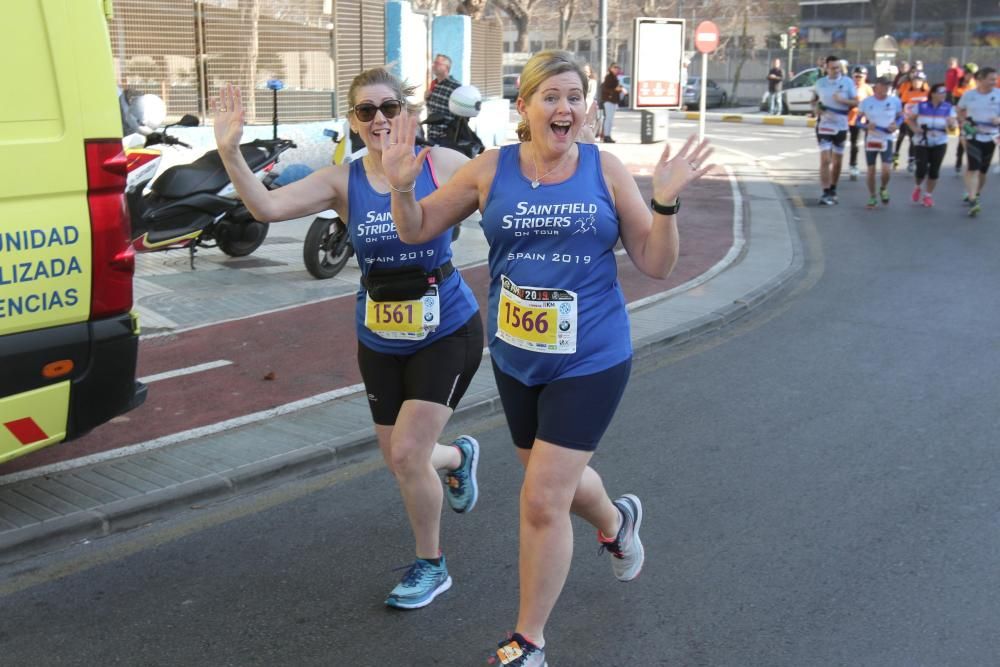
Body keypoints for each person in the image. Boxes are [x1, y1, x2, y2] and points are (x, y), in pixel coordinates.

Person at [380, 49, 714, 666]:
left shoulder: (605, 170)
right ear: (524, 108)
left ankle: (528, 641)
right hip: (518, 356)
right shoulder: (489, 170)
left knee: (540, 498)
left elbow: (657, 264)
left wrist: (664, 205)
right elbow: (416, 228)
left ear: (585, 109)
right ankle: (616, 521)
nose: (564, 108)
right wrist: (402, 186)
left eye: (573, 96)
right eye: (550, 96)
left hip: (591, 356)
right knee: (551, 480)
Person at [211, 68, 484, 609]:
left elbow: (503, 190)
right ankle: (455, 460)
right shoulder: (345, 180)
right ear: (354, 122)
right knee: (402, 458)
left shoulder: (443, 164)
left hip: (447, 328)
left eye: (388, 107)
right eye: (366, 111)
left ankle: (431, 565)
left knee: (408, 454)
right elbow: (266, 208)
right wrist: (229, 152)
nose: (379, 119)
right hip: (380, 336)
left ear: (405, 112)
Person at [812, 54, 858, 205]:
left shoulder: (848, 82)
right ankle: (825, 192)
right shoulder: (820, 83)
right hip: (824, 124)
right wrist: (816, 109)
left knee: (837, 162)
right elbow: (813, 101)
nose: (836, 70)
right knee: (825, 160)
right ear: (827, 68)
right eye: (833, 68)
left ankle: (833, 188)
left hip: (841, 125)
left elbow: (856, 102)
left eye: (838, 67)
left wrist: (842, 100)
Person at [956, 66, 1000, 217]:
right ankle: (973, 199)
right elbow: (959, 110)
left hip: (992, 136)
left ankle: (976, 192)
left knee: (982, 171)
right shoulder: (969, 95)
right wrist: (963, 122)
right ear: (980, 80)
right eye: (991, 79)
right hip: (973, 135)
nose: (994, 82)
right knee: (973, 167)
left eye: (995, 79)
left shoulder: (998, 95)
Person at [906, 83, 957, 207]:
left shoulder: (948, 108)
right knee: (921, 169)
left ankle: (928, 195)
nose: (943, 95)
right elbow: (909, 119)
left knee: (934, 170)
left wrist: (951, 124)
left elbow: (953, 128)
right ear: (933, 93)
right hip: (922, 141)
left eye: (945, 92)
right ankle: (918, 186)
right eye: (940, 92)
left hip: (940, 141)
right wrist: (915, 129)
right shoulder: (921, 106)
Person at [857, 76, 903, 209]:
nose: (886, 88)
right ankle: (872, 196)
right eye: (883, 85)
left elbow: (901, 117)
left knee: (886, 170)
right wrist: (866, 126)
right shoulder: (866, 102)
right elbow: (857, 121)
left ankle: (883, 188)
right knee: (871, 171)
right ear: (876, 86)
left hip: (886, 138)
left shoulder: (895, 101)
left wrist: (897, 125)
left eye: (888, 86)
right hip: (872, 139)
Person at [895, 70, 930, 171]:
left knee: (925, 141)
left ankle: (924, 160)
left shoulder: (927, 92)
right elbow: (903, 105)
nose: (916, 82)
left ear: (923, 81)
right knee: (912, 140)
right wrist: (901, 116)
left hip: (923, 121)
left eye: (919, 80)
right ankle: (911, 161)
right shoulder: (908, 92)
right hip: (910, 121)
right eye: (914, 80)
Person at [425, 53, 461, 141]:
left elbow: (460, 114)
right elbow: (432, 108)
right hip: (432, 134)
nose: (434, 65)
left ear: (446, 67)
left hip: (446, 136)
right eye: (434, 63)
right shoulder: (434, 84)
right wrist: (426, 98)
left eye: (437, 63)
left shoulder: (455, 86)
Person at [847, 65, 873, 180]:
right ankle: (850, 164)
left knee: (857, 143)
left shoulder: (867, 89)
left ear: (865, 77)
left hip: (860, 119)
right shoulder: (849, 87)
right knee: (847, 143)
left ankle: (855, 165)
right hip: (847, 118)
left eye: (860, 77)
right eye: (856, 76)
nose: (858, 79)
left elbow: (873, 103)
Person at [953, 63, 979, 174]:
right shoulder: (959, 85)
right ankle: (959, 159)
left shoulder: (975, 84)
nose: (971, 77)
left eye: (973, 75)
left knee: (973, 138)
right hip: (963, 117)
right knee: (963, 138)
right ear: (965, 73)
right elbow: (956, 103)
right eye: (969, 74)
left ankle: (971, 162)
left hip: (974, 116)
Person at [599, 62, 624, 143]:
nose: (617, 69)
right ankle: (606, 136)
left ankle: (608, 135)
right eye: (615, 67)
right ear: (611, 68)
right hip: (609, 100)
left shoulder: (614, 77)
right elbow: (605, 89)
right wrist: (615, 90)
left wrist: (619, 89)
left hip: (612, 100)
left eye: (618, 67)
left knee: (610, 119)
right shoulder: (609, 77)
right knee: (609, 119)